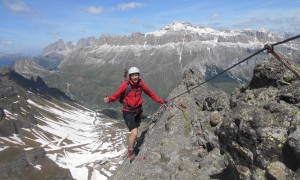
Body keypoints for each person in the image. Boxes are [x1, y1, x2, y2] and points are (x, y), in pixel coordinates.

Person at [104, 67, 166, 162]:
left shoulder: (141, 84)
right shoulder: (125, 85)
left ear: (138, 75)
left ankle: (134, 142)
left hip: (137, 111)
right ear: (130, 76)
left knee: (136, 128)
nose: (135, 77)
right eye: (133, 75)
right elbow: (116, 95)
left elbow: (151, 94)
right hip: (128, 112)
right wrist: (109, 99)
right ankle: (131, 153)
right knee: (134, 132)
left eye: (136, 75)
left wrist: (161, 101)